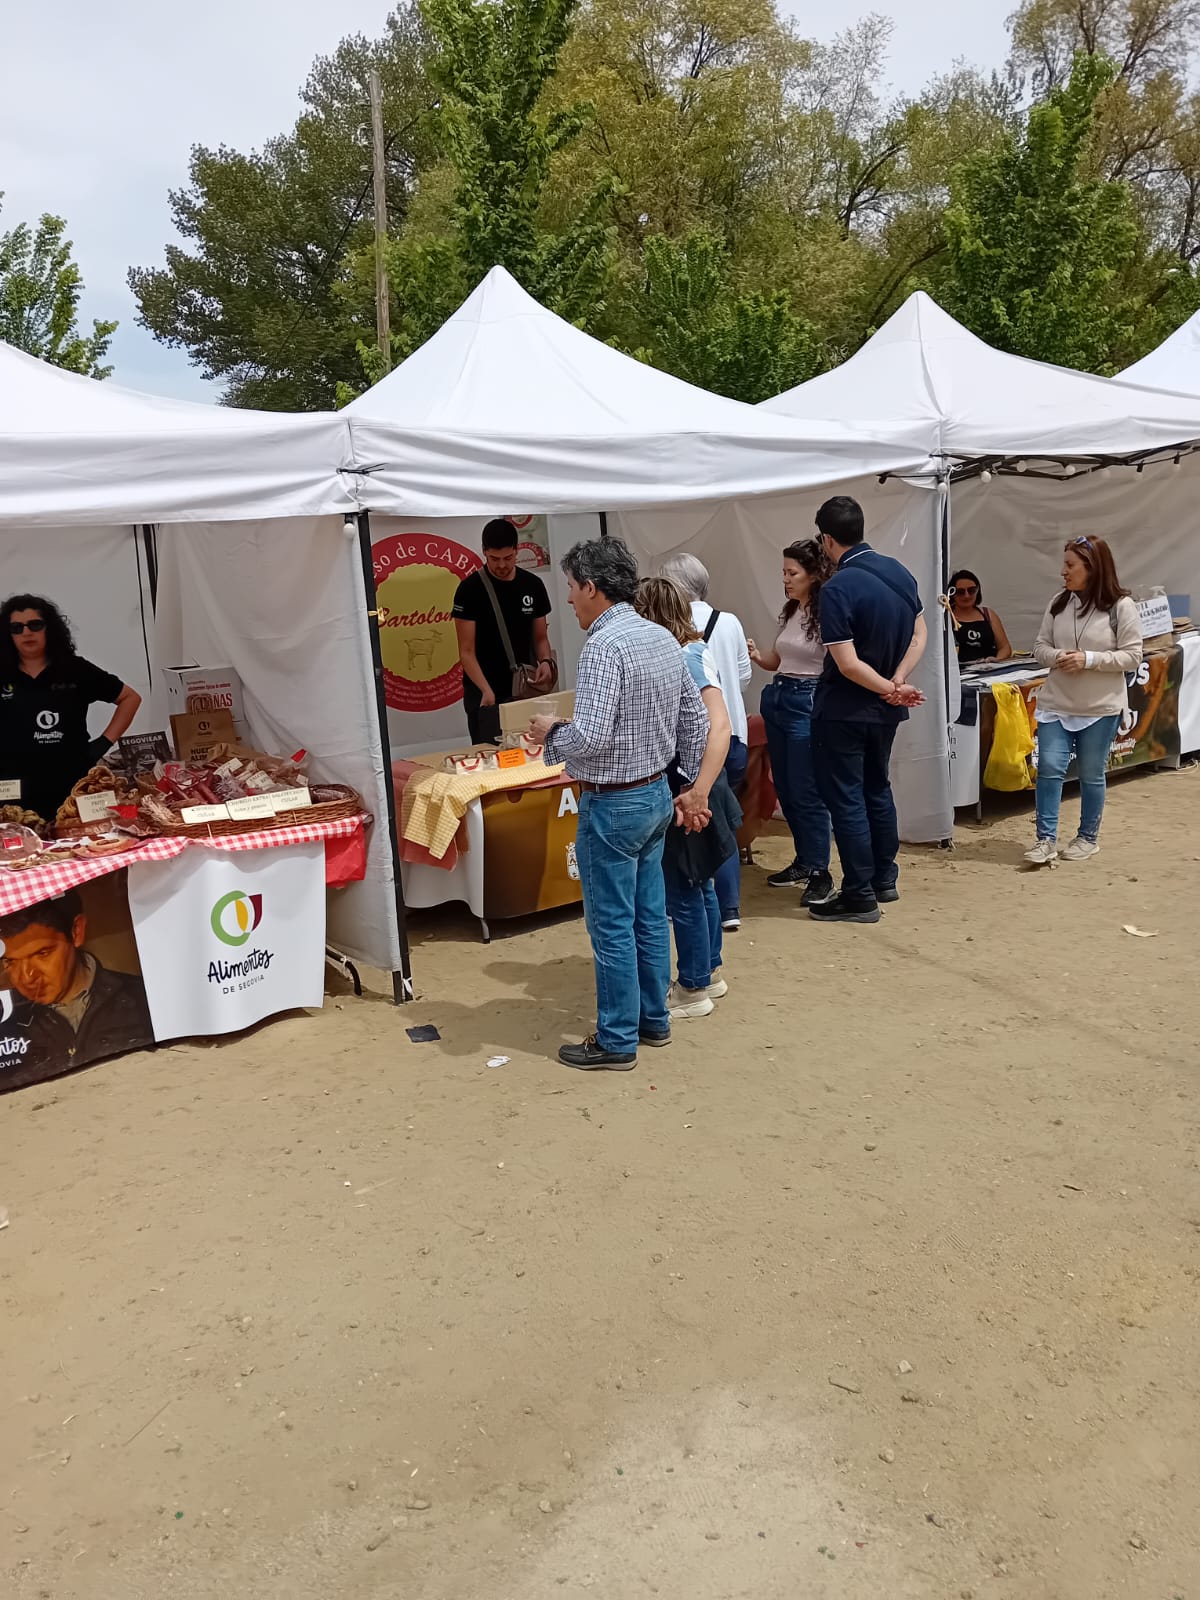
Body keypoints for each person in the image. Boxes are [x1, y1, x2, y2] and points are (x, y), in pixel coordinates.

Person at [528, 538, 708, 1071]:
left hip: (614, 800)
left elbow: (592, 738)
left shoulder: (605, 647)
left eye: (571, 589)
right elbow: (694, 722)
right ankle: (652, 1020)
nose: (568, 601)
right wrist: (690, 786)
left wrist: (551, 733)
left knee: (611, 923)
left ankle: (617, 1038)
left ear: (591, 587)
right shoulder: (659, 636)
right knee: (649, 917)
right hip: (653, 792)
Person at [808, 497, 927, 925]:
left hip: (844, 709)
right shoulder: (899, 572)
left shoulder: (837, 588)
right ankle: (883, 878)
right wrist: (896, 682)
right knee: (877, 788)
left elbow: (847, 663)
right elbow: (920, 632)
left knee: (847, 800)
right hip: (883, 711)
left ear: (827, 539)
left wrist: (888, 689)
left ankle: (858, 892)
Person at [634, 576, 740, 1022]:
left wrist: (695, 791)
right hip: (698, 782)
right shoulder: (694, 651)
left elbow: (720, 726)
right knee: (699, 882)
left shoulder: (685, 658)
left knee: (682, 888)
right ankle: (707, 969)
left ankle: (695, 984)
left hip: (690, 783)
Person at [1025, 536, 1142, 865]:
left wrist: (1088, 659)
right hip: (1056, 703)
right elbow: (1039, 647)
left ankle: (1088, 838)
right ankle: (1045, 840)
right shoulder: (1058, 602)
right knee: (1048, 768)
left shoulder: (1121, 607)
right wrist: (1058, 655)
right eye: (1064, 564)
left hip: (1100, 707)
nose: (1063, 572)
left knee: (1091, 774)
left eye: (1070, 565)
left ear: (1092, 568)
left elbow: (1133, 656)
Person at [660, 553, 752, 932]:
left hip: (694, 743)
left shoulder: (668, 628)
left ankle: (693, 901)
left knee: (691, 826)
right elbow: (744, 676)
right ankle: (729, 908)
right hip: (734, 735)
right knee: (723, 825)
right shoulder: (728, 621)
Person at [0, 594, 142, 827]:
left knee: (78, 845)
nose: (26, 633)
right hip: (13, 791)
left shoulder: (75, 669)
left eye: (35, 625)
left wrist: (103, 743)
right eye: (17, 628)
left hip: (71, 785)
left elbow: (130, 698)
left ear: (49, 629)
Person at [747, 539, 836, 907]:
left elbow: (834, 660)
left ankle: (820, 870)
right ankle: (805, 861)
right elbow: (779, 659)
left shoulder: (827, 610)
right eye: (783, 572)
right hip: (780, 696)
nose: (785, 579)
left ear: (813, 574)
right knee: (786, 785)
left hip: (807, 698)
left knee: (806, 788)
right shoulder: (793, 610)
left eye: (792, 573)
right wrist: (757, 655)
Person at [0, 889, 153, 1089]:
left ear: (76, 932)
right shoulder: (7, 1021)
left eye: (43, 953)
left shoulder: (142, 998)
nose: (27, 977)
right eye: (9, 962)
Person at [452, 519, 555, 744]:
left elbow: (540, 638)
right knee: (490, 761)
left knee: (532, 758)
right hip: (485, 694)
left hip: (523, 691)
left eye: (508, 558)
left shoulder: (533, 585)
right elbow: (466, 652)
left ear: (517, 551)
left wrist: (545, 661)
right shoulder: (469, 590)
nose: (501, 565)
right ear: (484, 552)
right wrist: (485, 691)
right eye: (494, 559)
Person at [949, 569, 1013, 664]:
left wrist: (996, 660)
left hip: (989, 670)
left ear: (978, 591)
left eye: (971, 590)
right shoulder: (945, 617)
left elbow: (1005, 647)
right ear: (952, 594)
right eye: (960, 592)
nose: (966, 596)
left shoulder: (988, 614)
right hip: (959, 672)